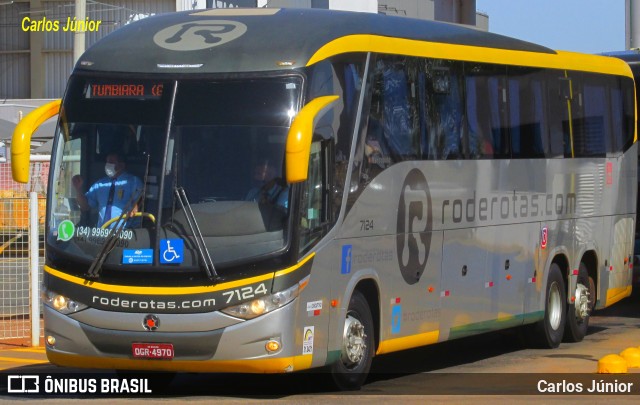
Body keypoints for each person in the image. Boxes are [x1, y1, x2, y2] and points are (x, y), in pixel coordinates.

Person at [72, 153, 143, 228]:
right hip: (102, 235)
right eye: (107, 162)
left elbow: (140, 204)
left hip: (125, 235)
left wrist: (135, 206)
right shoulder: (100, 184)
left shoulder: (133, 182)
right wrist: (78, 189)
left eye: (111, 162)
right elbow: (85, 206)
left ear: (121, 165)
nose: (108, 165)